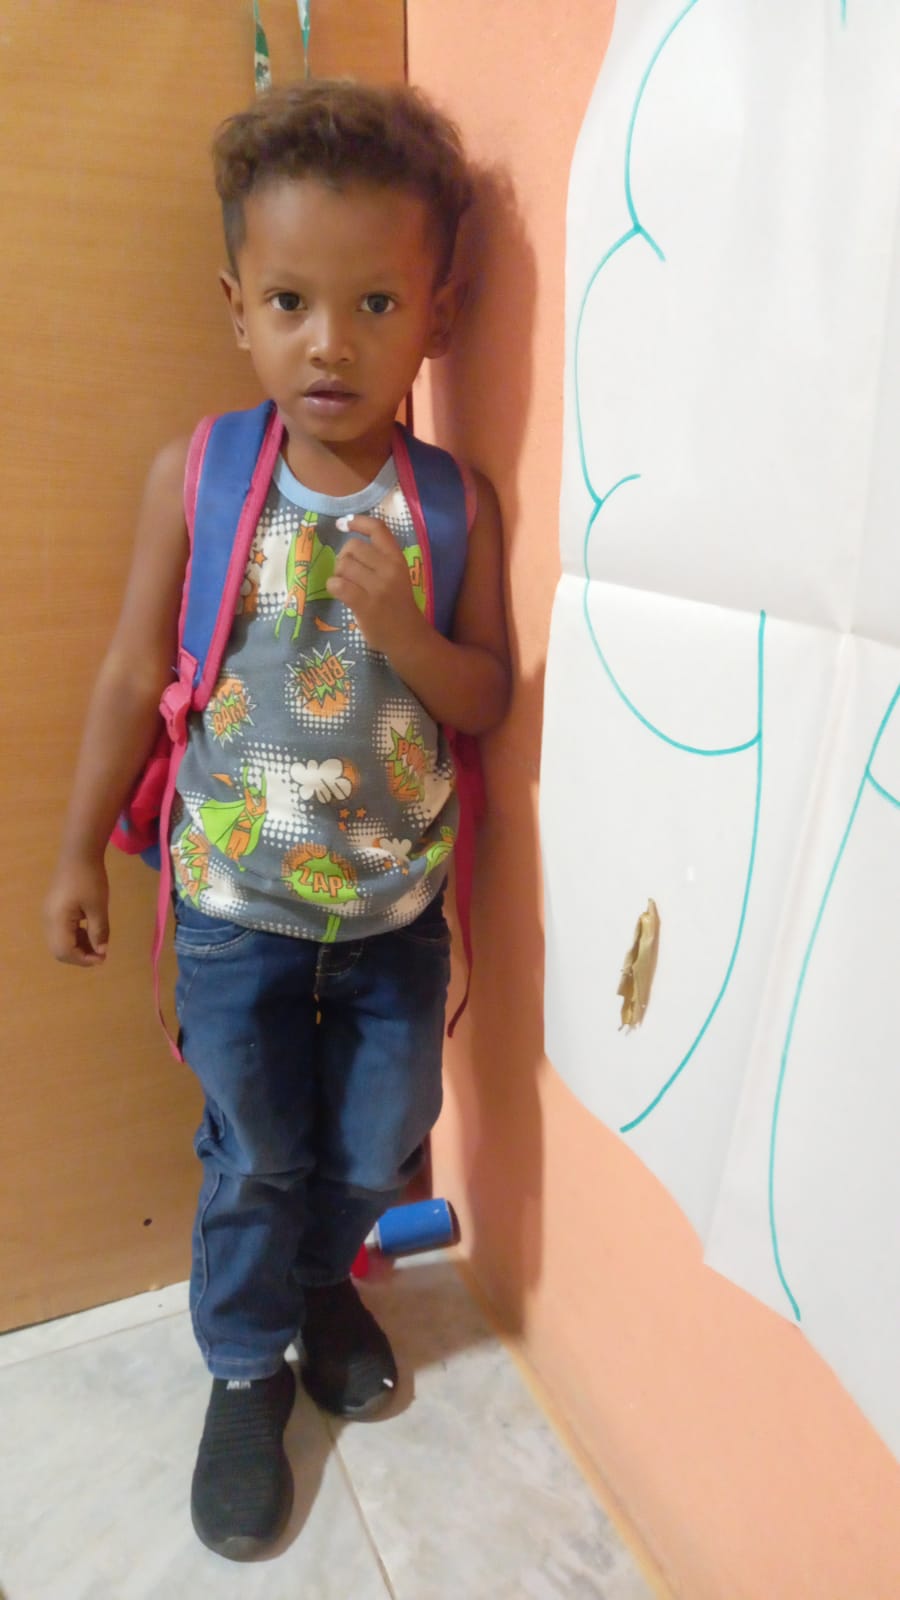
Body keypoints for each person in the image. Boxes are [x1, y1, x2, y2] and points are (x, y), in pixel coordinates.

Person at [43, 80, 509, 1561]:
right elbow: (134, 671)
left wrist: (405, 631)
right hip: (236, 913)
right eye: (294, 301)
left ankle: (322, 1289)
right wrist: (74, 852)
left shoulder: (450, 506)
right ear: (237, 306)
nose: (331, 343)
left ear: (438, 315)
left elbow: (485, 693)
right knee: (253, 1154)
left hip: (393, 915)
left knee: (380, 1138)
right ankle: (247, 1369)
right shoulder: (200, 476)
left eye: (376, 303)